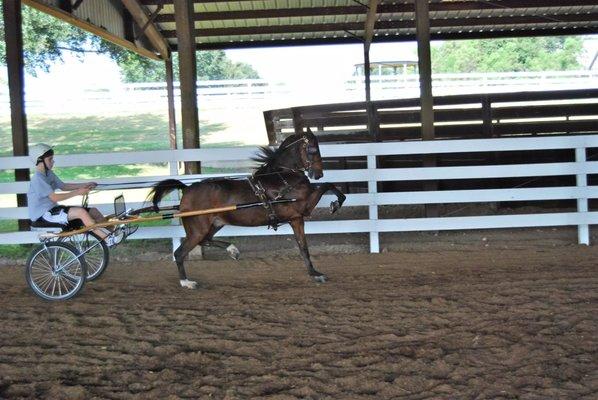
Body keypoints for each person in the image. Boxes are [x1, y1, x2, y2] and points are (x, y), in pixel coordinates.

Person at [27, 143, 122, 246]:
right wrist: (78, 192)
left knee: (94, 211)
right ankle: (108, 239)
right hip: (44, 215)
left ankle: (112, 232)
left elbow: (63, 186)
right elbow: (54, 197)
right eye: (50, 159)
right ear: (39, 161)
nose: (53, 161)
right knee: (81, 212)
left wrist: (85, 185)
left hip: (53, 210)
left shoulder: (48, 173)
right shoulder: (38, 179)